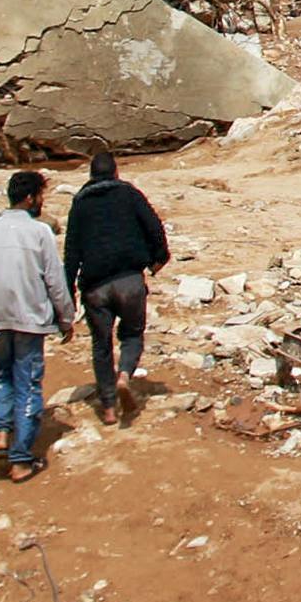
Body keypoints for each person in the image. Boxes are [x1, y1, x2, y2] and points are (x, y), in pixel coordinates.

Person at [0, 168, 74, 480]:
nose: (41, 203)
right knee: (28, 383)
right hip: (29, 320)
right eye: (40, 196)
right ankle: (21, 458)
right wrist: (66, 318)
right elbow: (55, 281)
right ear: (30, 197)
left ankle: (1, 431)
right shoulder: (40, 233)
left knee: (0, 375)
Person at [63, 151, 170, 423]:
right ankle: (124, 375)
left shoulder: (80, 203)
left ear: (90, 175)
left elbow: (71, 251)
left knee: (101, 345)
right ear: (116, 172)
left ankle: (109, 408)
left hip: (95, 287)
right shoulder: (130, 194)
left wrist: (68, 293)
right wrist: (159, 258)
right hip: (129, 280)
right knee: (132, 335)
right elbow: (154, 227)